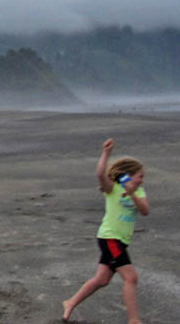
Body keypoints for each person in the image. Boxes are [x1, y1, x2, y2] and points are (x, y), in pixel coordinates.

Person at [62, 138, 150, 324]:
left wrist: (133, 192)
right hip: (110, 238)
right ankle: (134, 320)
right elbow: (100, 175)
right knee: (131, 277)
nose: (142, 180)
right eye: (140, 176)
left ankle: (70, 302)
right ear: (128, 174)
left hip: (120, 240)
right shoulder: (113, 188)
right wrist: (106, 153)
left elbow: (145, 211)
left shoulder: (139, 192)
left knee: (102, 280)